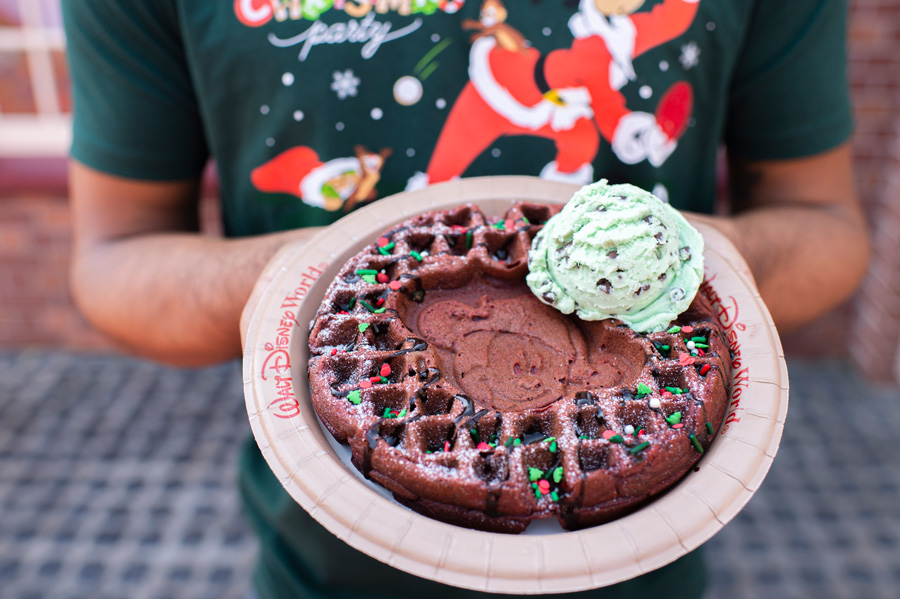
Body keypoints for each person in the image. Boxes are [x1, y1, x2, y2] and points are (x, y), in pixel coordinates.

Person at [62, 0, 869, 597]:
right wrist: (321, 276)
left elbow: (827, 227)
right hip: (324, 562)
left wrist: (681, 260)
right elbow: (114, 259)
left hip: (647, 556)